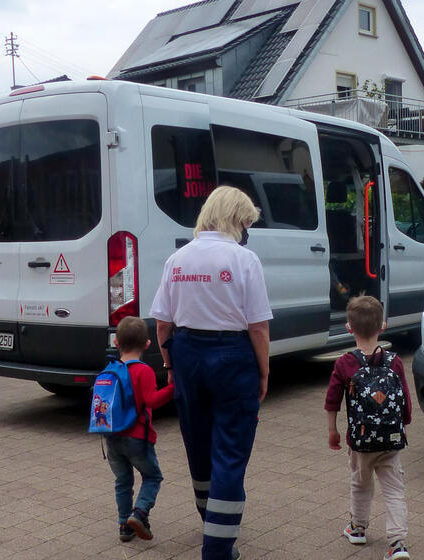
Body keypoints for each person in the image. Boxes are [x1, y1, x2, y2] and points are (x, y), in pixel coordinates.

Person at [150, 186, 272, 560]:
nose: (247, 229)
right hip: (232, 356)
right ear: (236, 219)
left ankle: (210, 520)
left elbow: (162, 324)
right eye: (247, 221)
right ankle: (217, 549)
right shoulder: (244, 259)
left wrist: (170, 366)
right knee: (231, 452)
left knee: (199, 447)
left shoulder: (178, 259)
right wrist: (263, 373)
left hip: (187, 354)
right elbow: (257, 328)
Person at [325, 295, 413, 560]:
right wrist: (402, 423)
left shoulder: (344, 363)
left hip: (360, 442)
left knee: (361, 485)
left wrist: (333, 431)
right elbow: (405, 400)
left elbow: (332, 401)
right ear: (382, 326)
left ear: (348, 328)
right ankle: (397, 543)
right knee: (394, 490)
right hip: (391, 439)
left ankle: (358, 528)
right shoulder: (394, 361)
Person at [104, 316, 175, 543]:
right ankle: (140, 513)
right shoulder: (144, 371)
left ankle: (125, 526)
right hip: (138, 437)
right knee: (153, 476)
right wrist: (174, 388)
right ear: (147, 344)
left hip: (112, 437)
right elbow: (152, 401)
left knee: (123, 481)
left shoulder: (110, 369)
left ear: (116, 343)